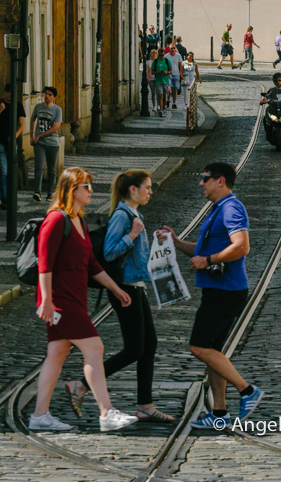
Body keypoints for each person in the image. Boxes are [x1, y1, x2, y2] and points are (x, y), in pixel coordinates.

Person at [29, 167, 136, 433]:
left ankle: (39, 415)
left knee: (56, 354)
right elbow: (45, 263)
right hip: (60, 300)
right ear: (70, 189)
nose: (90, 190)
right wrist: (46, 301)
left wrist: (114, 288)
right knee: (95, 348)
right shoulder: (55, 219)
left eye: (90, 185)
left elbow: (91, 263)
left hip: (76, 298)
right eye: (85, 186)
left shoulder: (78, 219)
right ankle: (106, 412)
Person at [161, 160, 263, 431]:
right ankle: (219, 413)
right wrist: (177, 242)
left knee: (199, 347)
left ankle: (247, 390)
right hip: (219, 289)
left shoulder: (231, 208)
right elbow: (205, 249)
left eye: (205, 178)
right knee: (213, 352)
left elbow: (242, 246)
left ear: (221, 181)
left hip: (225, 290)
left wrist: (208, 260)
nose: (201, 183)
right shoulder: (218, 209)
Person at [65, 170, 175, 425]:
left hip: (136, 286)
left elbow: (137, 257)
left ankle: (146, 405)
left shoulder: (136, 215)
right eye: (146, 187)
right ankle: (80, 385)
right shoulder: (122, 216)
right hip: (124, 288)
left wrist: (156, 242)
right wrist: (133, 234)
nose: (150, 191)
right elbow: (110, 252)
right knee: (135, 348)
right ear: (132, 190)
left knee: (149, 345)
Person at [0, 97, 25, 210]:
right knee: (4, 171)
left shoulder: (18, 105)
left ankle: (12, 198)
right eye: (7, 92)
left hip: (12, 143)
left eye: (11, 92)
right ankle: (5, 200)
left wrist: (14, 136)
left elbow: (21, 124)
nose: (9, 95)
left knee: (11, 171)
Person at [30, 87, 63, 203]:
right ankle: (37, 192)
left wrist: (40, 135)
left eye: (50, 95)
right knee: (39, 167)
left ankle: (50, 193)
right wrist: (32, 136)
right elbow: (32, 119)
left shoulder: (57, 110)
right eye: (46, 94)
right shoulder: (38, 107)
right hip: (40, 144)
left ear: (54, 97)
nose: (47, 96)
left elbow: (55, 128)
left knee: (52, 169)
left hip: (53, 143)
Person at [154, 46, 172, 111]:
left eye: (163, 55)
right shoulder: (155, 62)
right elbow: (152, 72)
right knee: (160, 96)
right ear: (158, 54)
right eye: (160, 55)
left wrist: (166, 72)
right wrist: (158, 72)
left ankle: (163, 108)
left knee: (164, 97)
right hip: (158, 81)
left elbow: (171, 71)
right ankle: (161, 110)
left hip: (166, 81)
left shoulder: (167, 61)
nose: (161, 56)